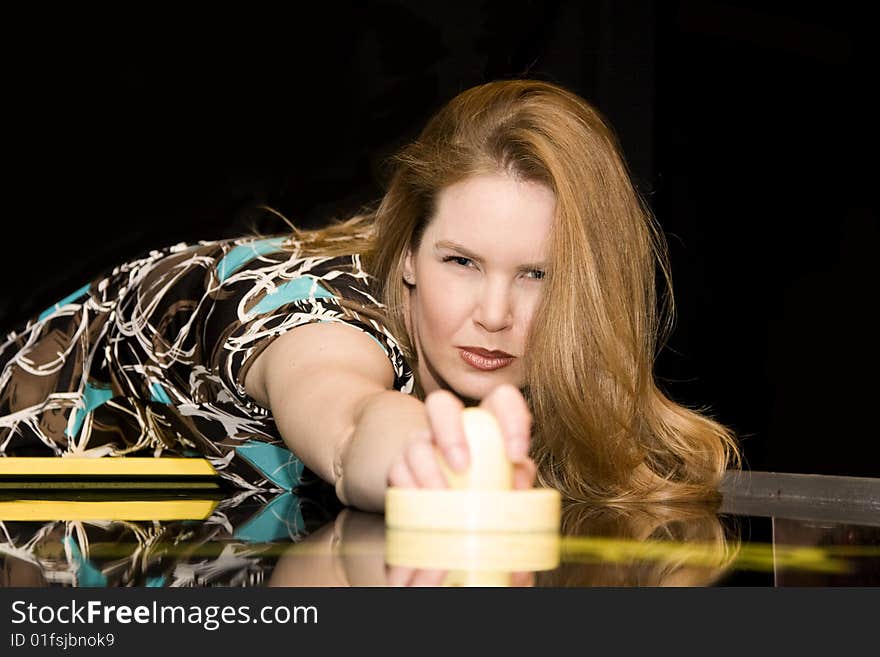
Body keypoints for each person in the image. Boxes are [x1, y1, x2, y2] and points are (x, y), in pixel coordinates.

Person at [0, 78, 739, 513]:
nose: (494, 313)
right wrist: (425, 465)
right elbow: (352, 422)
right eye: (462, 260)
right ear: (409, 251)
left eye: (535, 274)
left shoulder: (524, 372)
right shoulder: (324, 310)